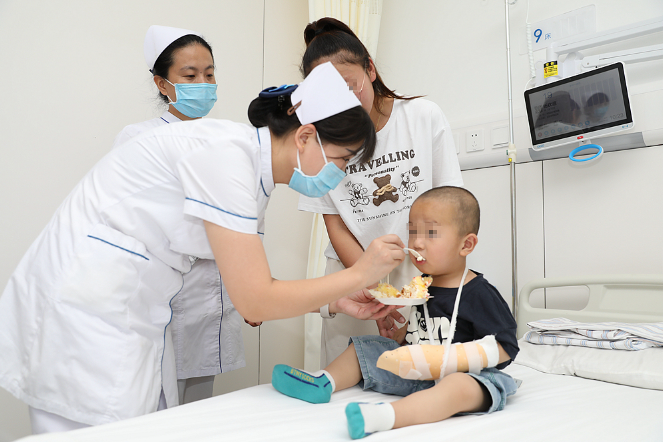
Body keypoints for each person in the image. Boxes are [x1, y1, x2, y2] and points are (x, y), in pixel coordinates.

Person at [0, 61, 405, 434]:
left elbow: (247, 285)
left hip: (127, 307)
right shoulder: (227, 157)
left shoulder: (251, 174)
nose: (338, 175)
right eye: (341, 159)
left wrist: (335, 301)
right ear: (305, 137)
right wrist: (358, 273)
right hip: (85, 312)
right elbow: (256, 302)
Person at [272, 186, 519, 439]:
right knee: (365, 347)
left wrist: (453, 359)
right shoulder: (422, 283)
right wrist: (400, 336)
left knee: (458, 386)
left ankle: (385, 416)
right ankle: (322, 382)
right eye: (412, 231)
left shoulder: (478, 293)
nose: (417, 242)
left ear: (466, 244)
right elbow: (423, 332)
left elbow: (506, 346)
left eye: (431, 233)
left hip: (467, 377)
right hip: (417, 377)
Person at [296, 18, 464, 366]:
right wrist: (372, 286)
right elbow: (335, 222)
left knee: (423, 376)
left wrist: (423, 281)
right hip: (351, 271)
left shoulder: (422, 117)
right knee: (346, 378)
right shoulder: (319, 140)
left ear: (370, 69)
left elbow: (451, 208)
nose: (342, 102)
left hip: (421, 270)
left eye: (349, 85)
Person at [113, 25, 245, 407]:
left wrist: (250, 290)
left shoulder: (227, 137)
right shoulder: (138, 138)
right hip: (164, 294)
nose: (203, 83)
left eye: (209, 74)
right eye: (190, 76)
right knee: (156, 408)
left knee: (200, 408)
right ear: (162, 83)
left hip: (215, 293)